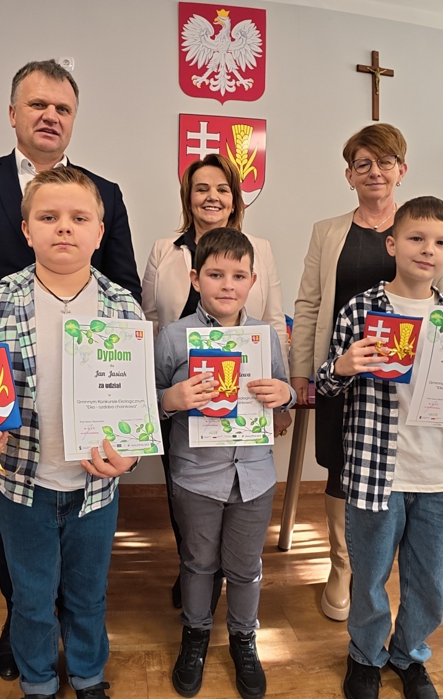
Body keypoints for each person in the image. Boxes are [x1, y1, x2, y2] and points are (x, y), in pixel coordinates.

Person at [0, 60, 142, 680]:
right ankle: (26, 633)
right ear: (13, 113)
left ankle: (79, 655)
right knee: (19, 552)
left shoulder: (105, 194)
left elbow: (125, 294)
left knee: (85, 580)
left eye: (62, 108)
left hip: (90, 453)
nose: (50, 116)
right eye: (38, 105)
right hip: (8, 424)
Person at [315, 197, 443, 699]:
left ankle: (409, 655)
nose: (428, 249)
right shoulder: (360, 310)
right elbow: (326, 385)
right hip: (374, 474)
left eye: (441, 242)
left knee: (430, 584)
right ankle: (365, 656)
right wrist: (342, 366)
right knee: (368, 578)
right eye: (416, 238)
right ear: (392, 245)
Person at [0, 167, 141, 699]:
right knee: (32, 597)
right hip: (22, 486)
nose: (64, 227)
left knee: (88, 594)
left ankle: (87, 675)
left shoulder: (122, 307)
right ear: (26, 230)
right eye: (48, 217)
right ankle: (37, 680)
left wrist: (129, 457)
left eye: (79, 218)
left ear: (100, 232)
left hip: (96, 487)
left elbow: (138, 401)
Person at [289, 124, 443, 623]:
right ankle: (343, 566)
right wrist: (303, 373)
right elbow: (309, 302)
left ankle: (382, 566)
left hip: (408, 383)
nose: (374, 172)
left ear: (401, 170)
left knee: (393, 469)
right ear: (349, 175)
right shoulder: (327, 231)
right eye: (362, 163)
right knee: (342, 467)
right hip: (342, 371)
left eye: (385, 162)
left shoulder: (424, 231)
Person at [142, 154, 289, 610]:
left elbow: (274, 321)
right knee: (191, 510)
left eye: (222, 188)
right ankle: (196, 576)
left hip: (246, 422)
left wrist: (283, 397)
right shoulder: (165, 249)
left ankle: (222, 582)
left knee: (243, 539)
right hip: (185, 409)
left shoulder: (258, 248)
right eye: (202, 188)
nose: (212, 196)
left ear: (235, 198)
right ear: (188, 196)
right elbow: (149, 319)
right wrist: (167, 396)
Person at [155, 228, 295, 699]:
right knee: (197, 562)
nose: (227, 285)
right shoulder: (174, 337)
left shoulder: (265, 338)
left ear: (253, 281)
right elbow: (147, 402)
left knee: (246, 565)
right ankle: (195, 634)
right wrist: (171, 398)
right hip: (196, 476)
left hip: (254, 476)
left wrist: (284, 394)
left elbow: (284, 395)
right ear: (196, 279)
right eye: (216, 275)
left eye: (238, 276)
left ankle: (243, 637)